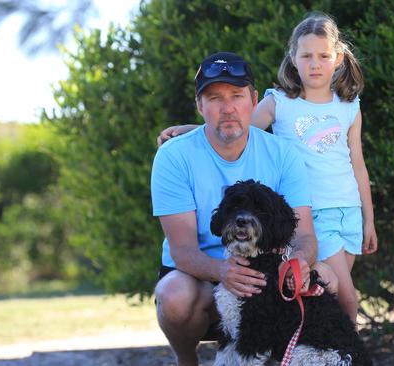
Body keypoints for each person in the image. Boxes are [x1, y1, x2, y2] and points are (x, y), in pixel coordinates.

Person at [157, 13, 378, 325]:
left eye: (324, 56)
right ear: (293, 57)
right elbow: (234, 128)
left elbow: (357, 166)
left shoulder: (344, 109)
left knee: (328, 286)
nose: (315, 64)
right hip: (300, 221)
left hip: (334, 220)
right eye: (306, 56)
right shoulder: (279, 103)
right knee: (346, 299)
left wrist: (367, 220)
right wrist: (189, 130)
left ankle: (327, 352)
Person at [151, 51, 337, 366]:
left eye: (236, 96)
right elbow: (182, 251)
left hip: (269, 269)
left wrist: (296, 265)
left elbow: (305, 236)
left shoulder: (282, 154)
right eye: (214, 98)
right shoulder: (174, 156)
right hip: (200, 275)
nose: (227, 108)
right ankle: (186, 359)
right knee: (173, 297)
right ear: (200, 106)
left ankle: (291, 358)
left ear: (253, 99)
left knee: (327, 276)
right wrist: (223, 271)